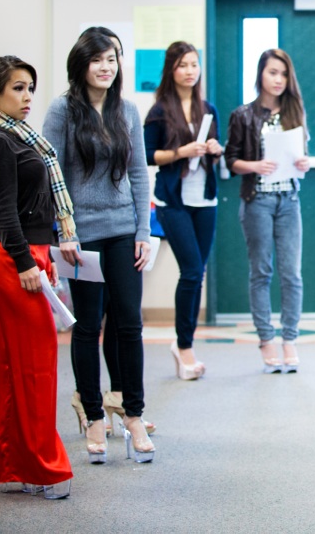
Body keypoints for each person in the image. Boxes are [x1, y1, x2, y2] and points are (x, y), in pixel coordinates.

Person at [43, 30, 155, 464]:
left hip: (124, 228)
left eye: (112, 59)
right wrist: (63, 230)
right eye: (98, 60)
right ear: (81, 65)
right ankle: (92, 413)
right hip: (80, 235)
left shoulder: (127, 110)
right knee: (88, 325)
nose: (106, 67)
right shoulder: (63, 110)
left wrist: (143, 231)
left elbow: (140, 173)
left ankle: (133, 414)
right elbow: (51, 173)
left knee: (129, 322)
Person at [0, 55, 73, 499]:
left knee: (22, 368)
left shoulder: (24, 137)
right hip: (12, 259)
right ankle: (44, 468)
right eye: (17, 88)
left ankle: (21, 465)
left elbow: (33, 206)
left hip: (29, 253)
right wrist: (25, 263)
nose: (27, 97)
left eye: (30, 88)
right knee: (36, 368)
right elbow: (3, 212)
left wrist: (42, 253)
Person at [224, 48, 310, 373]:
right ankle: (266, 340)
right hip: (257, 200)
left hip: (289, 199)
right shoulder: (243, 115)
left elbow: (303, 157)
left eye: (284, 74)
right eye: (273, 72)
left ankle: (290, 338)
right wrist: (255, 165)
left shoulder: (294, 112)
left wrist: (304, 162)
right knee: (261, 272)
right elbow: (230, 160)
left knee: (292, 274)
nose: (278, 79)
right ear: (261, 73)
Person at [144, 42, 222, 380]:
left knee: (197, 273)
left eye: (194, 64)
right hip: (172, 202)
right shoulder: (159, 110)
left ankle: (184, 343)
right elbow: (149, 156)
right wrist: (180, 151)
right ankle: (184, 345)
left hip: (205, 200)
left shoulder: (208, 109)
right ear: (171, 70)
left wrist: (215, 149)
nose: (190, 71)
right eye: (183, 65)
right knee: (191, 270)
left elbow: (214, 150)